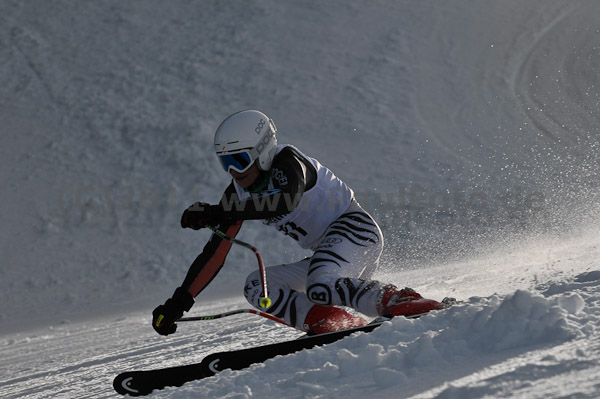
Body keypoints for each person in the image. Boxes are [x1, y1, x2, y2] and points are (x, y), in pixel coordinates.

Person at [152, 110, 444, 336]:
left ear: (262, 151)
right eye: (224, 162)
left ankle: (398, 300)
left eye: (239, 160)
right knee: (257, 286)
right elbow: (214, 254)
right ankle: (331, 321)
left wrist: (219, 213)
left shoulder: (289, 162)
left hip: (355, 231)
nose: (233, 171)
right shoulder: (237, 195)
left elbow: (286, 200)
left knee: (319, 285)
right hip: (329, 253)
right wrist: (177, 304)